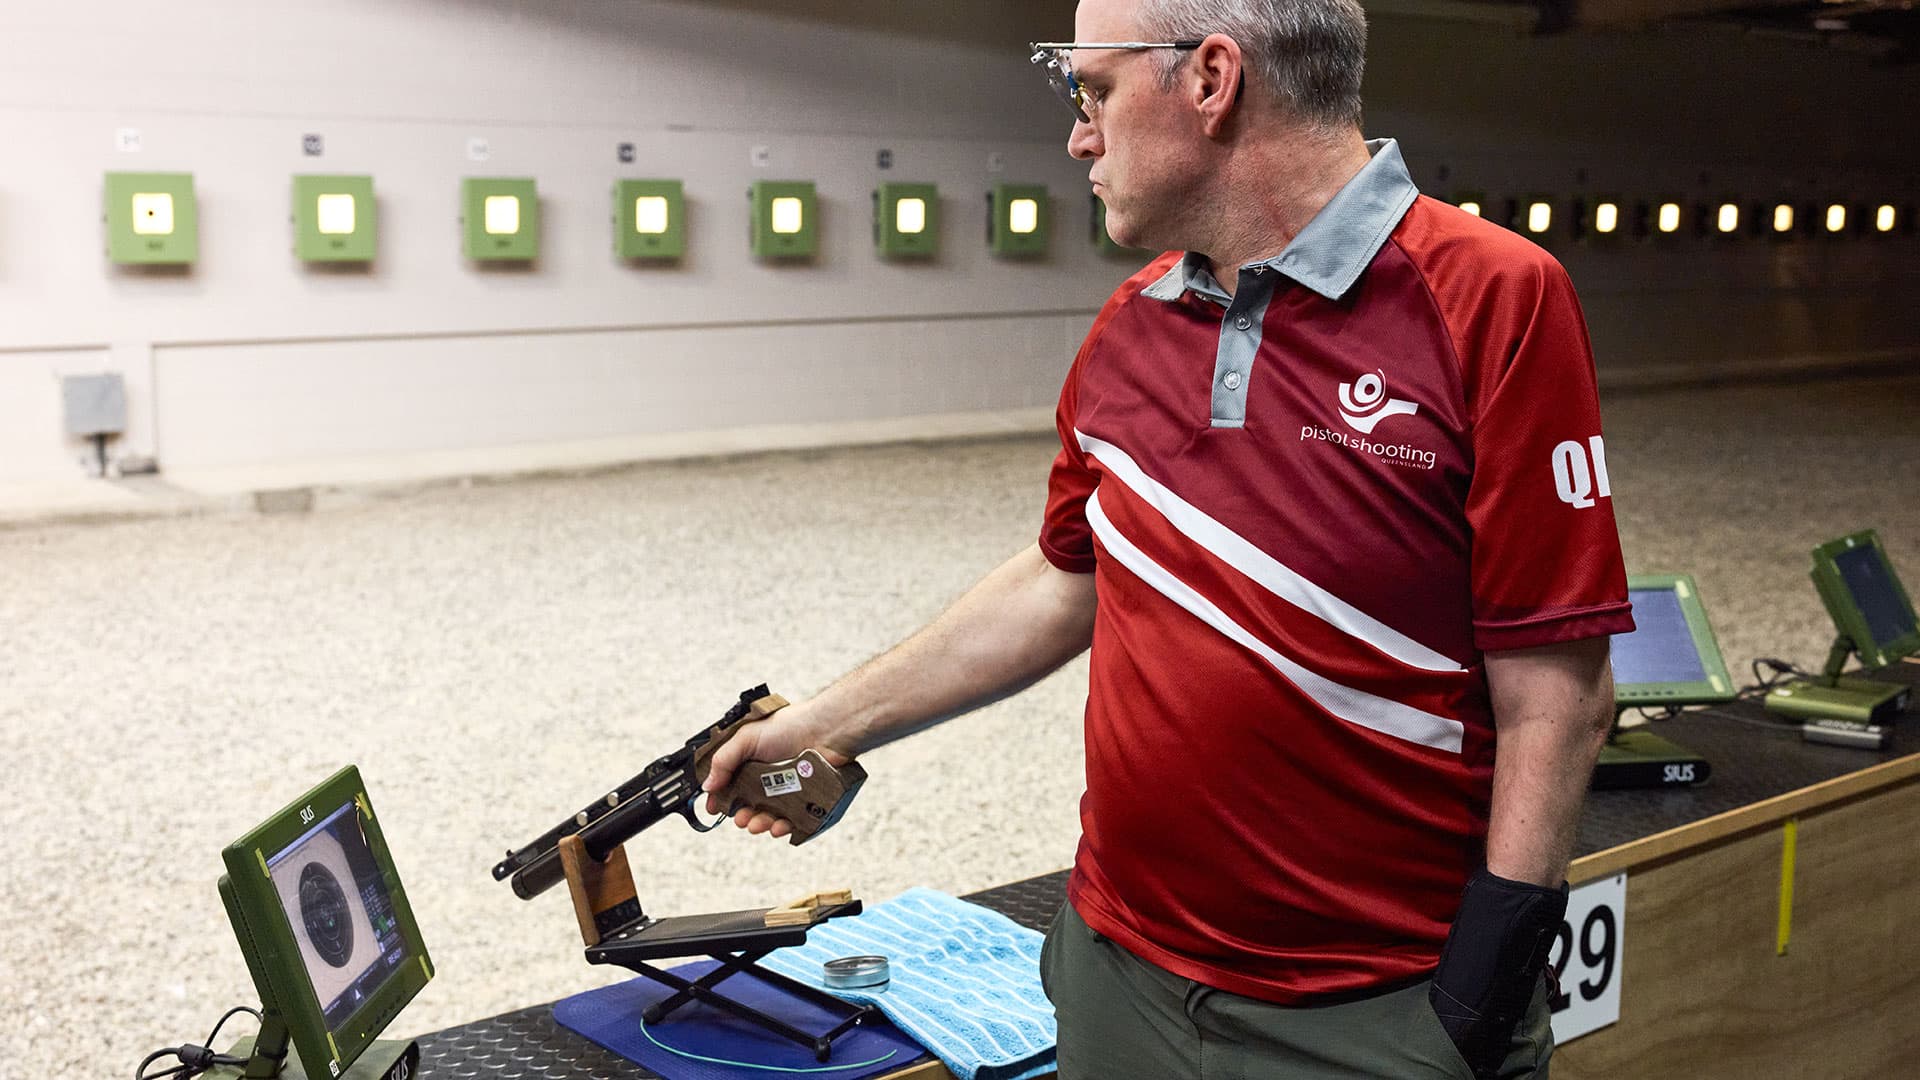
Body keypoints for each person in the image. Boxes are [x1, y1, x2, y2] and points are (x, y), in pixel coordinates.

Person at [704, 0, 1633, 1076]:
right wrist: (822, 726)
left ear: (1211, 80)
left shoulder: (1490, 300)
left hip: (1378, 1008)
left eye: (1092, 90)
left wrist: (1479, 995)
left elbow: (1559, 693)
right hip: (1121, 981)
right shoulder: (1133, 322)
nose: (1078, 135)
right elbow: (1068, 580)